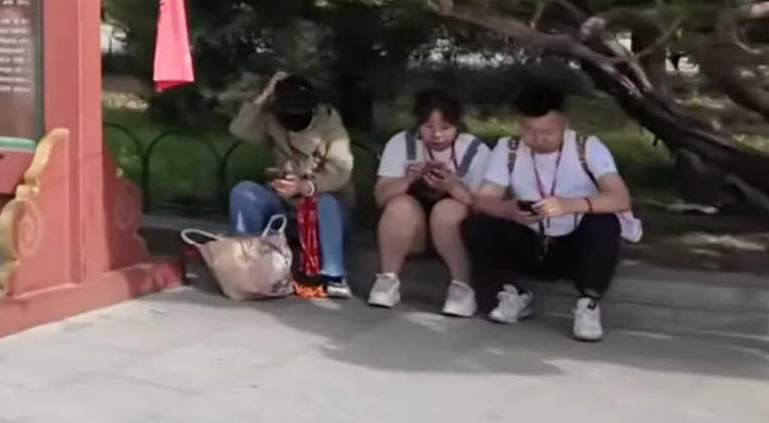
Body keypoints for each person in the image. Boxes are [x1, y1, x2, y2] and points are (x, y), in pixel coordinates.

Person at [467, 83, 635, 343]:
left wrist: (572, 205)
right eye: (530, 131)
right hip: (531, 238)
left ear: (564, 123)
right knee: (478, 224)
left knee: (604, 221)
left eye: (548, 131)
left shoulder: (587, 147)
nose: (538, 138)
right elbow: (483, 200)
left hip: (575, 244)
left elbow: (620, 198)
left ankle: (589, 303)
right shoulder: (508, 149)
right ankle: (513, 293)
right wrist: (507, 210)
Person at [228, 73, 357, 297]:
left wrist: (305, 187)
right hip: (284, 204)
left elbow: (340, 171)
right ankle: (246, 262)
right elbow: (239, 129)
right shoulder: (274, 120)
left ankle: (334, 276)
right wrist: (267, 93)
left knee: (326, 203)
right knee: (244, 192)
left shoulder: (331, 127)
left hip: (324, 209)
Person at [368, 88, 485, 317]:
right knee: (399, 205)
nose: (437, 135)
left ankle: (461, 287)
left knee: (447, 209)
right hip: (414, 233)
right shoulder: (402, 143)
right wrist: (410, 178)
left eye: (445, 127)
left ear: (458, 125)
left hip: (455, 231)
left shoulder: (474, 150)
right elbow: (381, 197)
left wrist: (452, 187)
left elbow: (482, 206)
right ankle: (387, 280)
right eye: (429, 127)